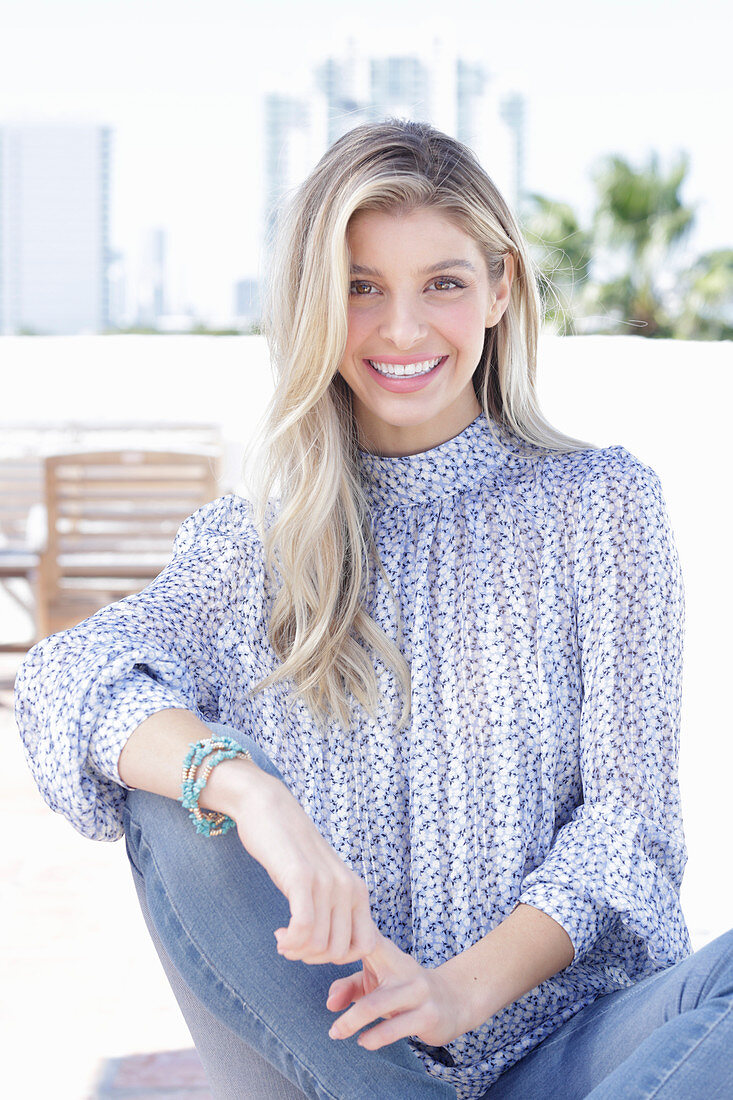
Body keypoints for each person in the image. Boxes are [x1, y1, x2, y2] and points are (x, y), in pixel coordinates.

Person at [15, 119, 732, 1100]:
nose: (402, 329)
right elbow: (66, 677)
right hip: (329, 1056)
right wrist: (255, 796)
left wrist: (452, 993)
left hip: (563, 1048)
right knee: (175, 782)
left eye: (441, 281)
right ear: (313, 302)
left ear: (499, 287)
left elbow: (630, 829)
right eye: (360, 287)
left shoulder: (599, 508)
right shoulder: (254, 546)